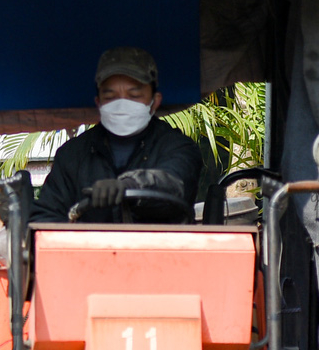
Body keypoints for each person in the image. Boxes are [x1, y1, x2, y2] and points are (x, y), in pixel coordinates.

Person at [33, 47, 206, 223]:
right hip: (90, 249)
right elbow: (47, 215)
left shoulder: (178, 147)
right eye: (110, 97)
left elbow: (175, 184)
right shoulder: (72, 155)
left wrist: (130, 186)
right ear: (99, 102)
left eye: (134, 95)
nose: (122, 104)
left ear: (155, 101)